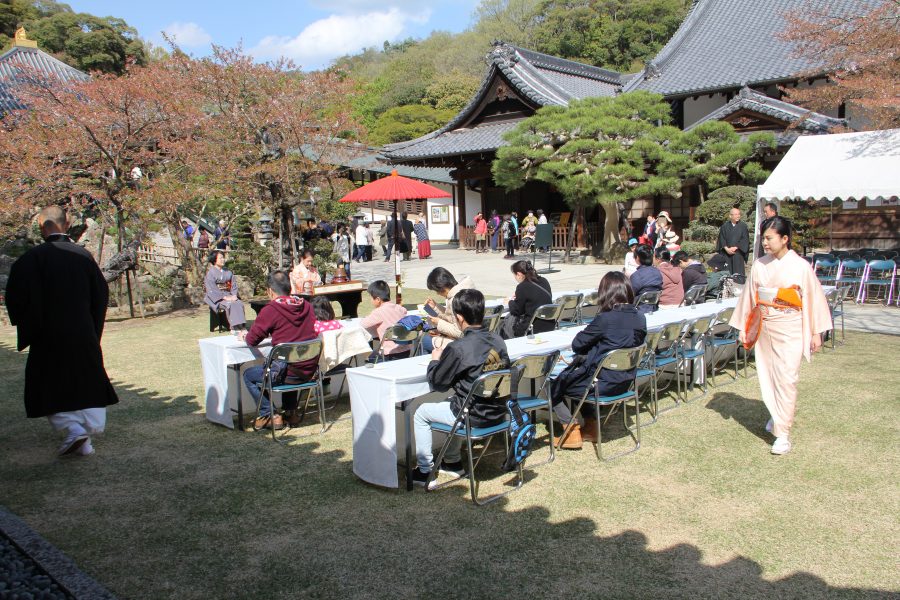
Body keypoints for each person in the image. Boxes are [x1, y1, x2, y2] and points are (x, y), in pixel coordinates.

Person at [5, 206, 118, 457]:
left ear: (42, 226)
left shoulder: (30, 260)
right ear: (66, 224)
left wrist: (30, 326)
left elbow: (15, 300)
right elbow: (101, 296)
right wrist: (91, 326)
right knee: (86, 378)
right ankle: (85, 434)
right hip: (82, 332)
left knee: (51, 383)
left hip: (47, 335)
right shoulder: (83, 257)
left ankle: (74, 430)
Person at [729, 216, 832, 455]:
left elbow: (814, 299)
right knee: (768, 376)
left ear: (785, 239)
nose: (765, 243)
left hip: (791, 326)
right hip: (766, 327)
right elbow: (750, 299)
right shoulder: (759, 265)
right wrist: (745, 328)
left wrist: (816, 332)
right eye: (763, 238)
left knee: (787, 378)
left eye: (769, 238)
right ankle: (777, 417)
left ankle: (783, 434)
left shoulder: (801, 266)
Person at [411, 289, 510, 487]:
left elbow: (438, 383)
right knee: (454, 402)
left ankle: (425, 471)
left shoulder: (459, 348)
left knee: (421, 413)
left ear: (458, 318)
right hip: (498, 411)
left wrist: (435, 361)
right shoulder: (499, 341)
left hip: (473, 415)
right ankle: (453, 462)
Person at [549, 272, 646, 449]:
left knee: (555, 385)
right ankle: (592, 427)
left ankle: (571, 432)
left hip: (601, 384)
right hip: (626, 382)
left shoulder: (605, 319)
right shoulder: (640, 318)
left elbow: (578, 344)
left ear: (605, 293)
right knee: (581, 380)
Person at [243, 270, 318, 430]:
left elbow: (251, 340)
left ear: (270, 291)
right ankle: (291, 412)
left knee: (249, 375)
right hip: (308, 371)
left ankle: (269, 414)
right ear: (290, 287)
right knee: (290, 360)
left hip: (286, 373)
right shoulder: (307, 305)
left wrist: (244, 334)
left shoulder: (271, 309)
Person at [421, 267, 475, 353]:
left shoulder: (456, 299)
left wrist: (438, 322)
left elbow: (459, 332)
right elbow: (452, 316)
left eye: (436, 291)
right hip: (475, 337)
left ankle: (434, 364)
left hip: (465, 342)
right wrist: (435, 307)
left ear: (441, 287)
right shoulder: (467, 291)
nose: (438, 294)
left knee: (424, 340)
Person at [501, 259, 553, 339]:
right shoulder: (544, 280)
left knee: (504, 323)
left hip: (533, 328)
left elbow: (517, 311)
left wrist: (510, 302)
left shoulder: (522, 287)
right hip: (549, 324)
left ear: (518, 274)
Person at [361, 280, 409, 361]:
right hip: (406, 350)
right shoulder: (400, 308)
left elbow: (363, 324)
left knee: (369, 358)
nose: (371, 301)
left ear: (378, 299)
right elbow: (405, 311)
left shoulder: (378, 312)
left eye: (371, 298)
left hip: (389, 353)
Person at [204, 250, 247, 333]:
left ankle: (241, 326)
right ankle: (234, 327)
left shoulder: (228, 272)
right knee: (229, 304)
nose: (223, 260)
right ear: (214, 260)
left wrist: (234, 295)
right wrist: (224, 297)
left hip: (229, 294)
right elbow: (211, 289)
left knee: (238, 303)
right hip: (217, 297)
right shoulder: (210, 273)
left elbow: (233, 285)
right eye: (220, 258)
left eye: (223, 258)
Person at [717, 207, 750, 281]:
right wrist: (726, 248)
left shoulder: (743, 226)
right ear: (730, 216)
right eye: (735, 214)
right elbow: (721, 238)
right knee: (726, 274)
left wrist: (736, 247)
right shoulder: (724, 226)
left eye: (738, 214)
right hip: (726, 253)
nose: (737, 216)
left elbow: (745, 239)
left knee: (738, 274)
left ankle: (739, 288)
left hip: (738, 252)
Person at [629, 244, 663, 313]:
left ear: (637, 258)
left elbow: (629, 295)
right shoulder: (658, 272)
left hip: (639, 310)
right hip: (654, 308)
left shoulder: (637, 275)